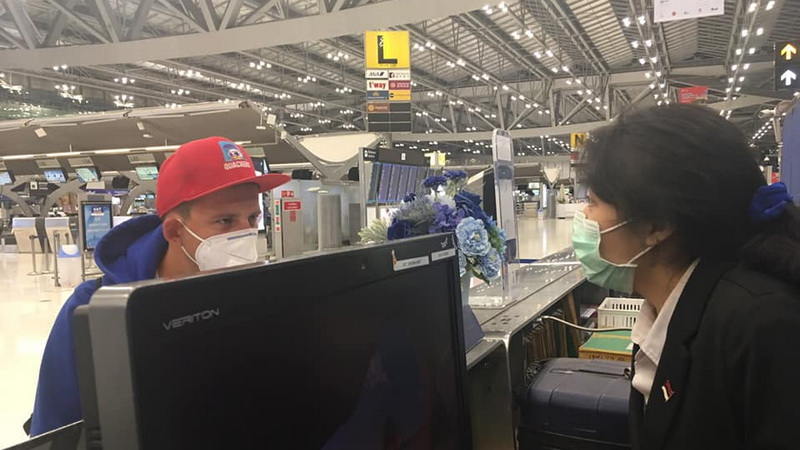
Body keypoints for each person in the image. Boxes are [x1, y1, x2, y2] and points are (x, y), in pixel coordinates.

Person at [572, 104, 800, 449]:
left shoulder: (762, 326)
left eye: (593, 202)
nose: (583, 216)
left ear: (657, 225)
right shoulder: (666, 313)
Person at [29, 136, 290, 436]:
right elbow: (55, 427)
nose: (245, 234)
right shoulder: (93, 310)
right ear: (175, 231)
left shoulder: (259, 295)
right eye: (225, 221)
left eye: (252, 217)